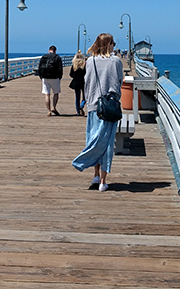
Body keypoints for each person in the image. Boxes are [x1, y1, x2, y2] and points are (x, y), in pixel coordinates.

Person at [71, 33, 124, 192]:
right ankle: (102, 181)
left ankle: (95, 174)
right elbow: (119, 80)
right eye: (113, 43)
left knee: (93, 139)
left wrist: (88, 100)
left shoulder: (91, 61)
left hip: (94, 106)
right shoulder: (116, 61)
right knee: (107, 143)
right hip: (110, 106)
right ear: (109, 45)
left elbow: (87, 84)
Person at [37, 45, 63, 116]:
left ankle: (48, 111)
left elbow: (39, 68)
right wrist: (59, 77)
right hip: (55, 78)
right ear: (55, 51)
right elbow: (60, 69)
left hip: (45, 77)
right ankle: (53, 107)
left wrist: (41, 77)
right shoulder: (57, 57)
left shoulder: (44, 57)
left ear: (49, 50)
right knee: (56, 93)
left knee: (47, 94)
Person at [68, 51, 86, 116]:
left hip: (76, 82)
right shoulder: (84, 65)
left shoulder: (74, 65)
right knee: (85, 97)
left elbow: (71, 74)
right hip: (83, 82)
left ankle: (78, 111)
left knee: (77, 97)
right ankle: (82, 105)